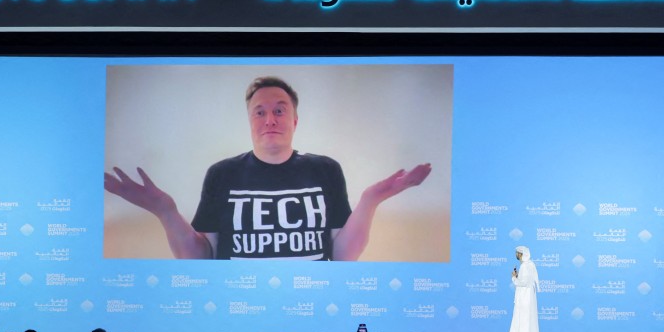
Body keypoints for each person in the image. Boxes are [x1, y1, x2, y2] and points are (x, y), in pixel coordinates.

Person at [104, 75, 431, 261]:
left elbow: (342, 257)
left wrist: (371, 199)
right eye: (259, 112)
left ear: (294, 120)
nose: (270, 119)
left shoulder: (325, 170)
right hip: (240, 304)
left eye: (279, 110)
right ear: (250, 122)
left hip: (307, 303)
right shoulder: (222, 174)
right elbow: (201, 260)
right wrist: (165, 210)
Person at [506, 245, 540, 332]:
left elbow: (523, 283)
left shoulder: (525, 266)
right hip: (528, 297)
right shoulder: (530, 265)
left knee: (522, 321)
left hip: (524, 298)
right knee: (526, 321)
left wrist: (514, 277)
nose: (516, 254)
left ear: (520, 254)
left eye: (517, 253)